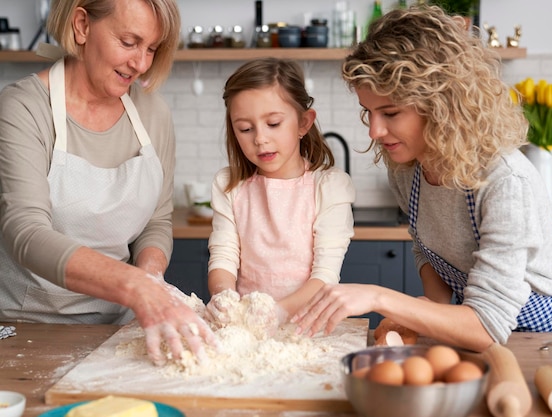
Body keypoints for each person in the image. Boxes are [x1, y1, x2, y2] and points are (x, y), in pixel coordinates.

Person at [291, 5, 552, 353]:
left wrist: (378, 296)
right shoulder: (407, 168)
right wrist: (430, 309)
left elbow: (486, 326)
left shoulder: (505, 181)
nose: (375, 131)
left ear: (441, 104)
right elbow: (428, 248)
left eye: (390, 113)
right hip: (483, 335)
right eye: (369, 112)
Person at [0, 0, 214, 366]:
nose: (142, 63)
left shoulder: (152, 113)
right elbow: (26, 233)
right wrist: (134, 287)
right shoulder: (23, 108)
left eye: (151, 48)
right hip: (29, 332)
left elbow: (156, 222)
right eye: (130, 42)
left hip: (120, 330)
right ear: (82, 25)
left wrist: (150, 276)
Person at [206, 58, 355, 330]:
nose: (260, 138)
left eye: (273, 123)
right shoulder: (230, 185)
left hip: (310, 327)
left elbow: (325, 275)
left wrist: (277, 313)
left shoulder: (329, 187)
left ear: (303, 123)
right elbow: (224, 255)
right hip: (247, 328)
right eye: (245, 129)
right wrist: (222, 295)